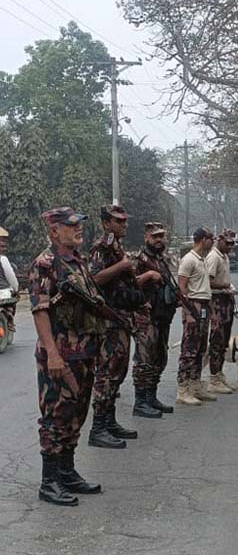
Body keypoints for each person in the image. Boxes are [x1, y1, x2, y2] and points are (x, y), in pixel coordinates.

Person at [29, 207, 104, 505]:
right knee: (56, 416)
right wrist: (52, 353)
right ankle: (49, 482)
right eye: (71, 225)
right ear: (54, 231)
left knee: (77, 414)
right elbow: (40, 309)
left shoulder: (78, 262)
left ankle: (67, 472)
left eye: (79, 224)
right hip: (60, 354)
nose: (78, 229)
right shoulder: (45, 263)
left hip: (84, 353)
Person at [88, 205, 149, 449]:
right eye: (118, 221)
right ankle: (98, 427)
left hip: (122, 318)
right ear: (105, 223)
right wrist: (121, 267)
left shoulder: (115, 246)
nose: (124, 224)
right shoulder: (101, 248)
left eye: (125, 220)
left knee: (118, 373)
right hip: (109, 320)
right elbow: (95, 279)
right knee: (107, 373)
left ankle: (109, 422)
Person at [131, 222, 177, 418]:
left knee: (160, 357)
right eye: (155, 236)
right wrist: (149, 275)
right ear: (146, 237)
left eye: (161, 236)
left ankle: (151, 396)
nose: (159, 240)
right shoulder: (137, 259)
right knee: (144, 359)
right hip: (145, 317)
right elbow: (130, 284)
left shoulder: (163, 259)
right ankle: (140, 402)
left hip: (162, 315)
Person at [176, 227, 217, 406]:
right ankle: (183, 388)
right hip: (193, 305)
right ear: (203, 239)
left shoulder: (202, 260)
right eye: (210, 238)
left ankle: (195, 385)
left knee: (200, 348)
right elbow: (182, 288)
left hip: (204, 306)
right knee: (189, 349)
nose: (213, 241)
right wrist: (188, 312)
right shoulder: (189, 260)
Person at [206, 229, 238, 394]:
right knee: (217, 339)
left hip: (226, 300)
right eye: (227, 243)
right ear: (219, 240)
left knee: (224, 340)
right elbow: (208, 282)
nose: (230, 246)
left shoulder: (224, 256)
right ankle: (213, 378)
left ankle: (219, 373)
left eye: (232, 243)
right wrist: (225, 287)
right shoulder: (214, 257)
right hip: (216, 301)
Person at [0, 226, 18, 330]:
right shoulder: (3, 259)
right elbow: (12, 278)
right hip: (3, 292)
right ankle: (10, 318)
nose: (4, 249)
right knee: (13, 297)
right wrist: (16, 289)